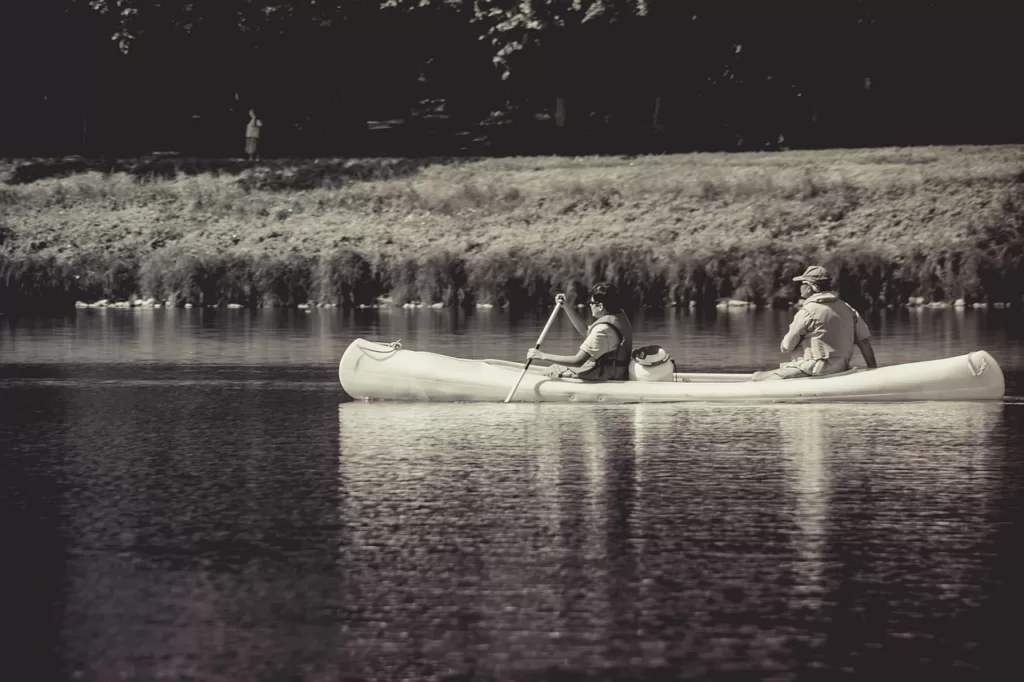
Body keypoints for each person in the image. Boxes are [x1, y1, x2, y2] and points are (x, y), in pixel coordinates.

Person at [752, 265, 877, 381]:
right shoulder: (847, 308)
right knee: (759, 375)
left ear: (814, 287)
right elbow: (864, 343)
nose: (800, 287)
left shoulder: (807, 311)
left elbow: (787, 346)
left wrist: (785, 344)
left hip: (814, 369)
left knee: (758, 378)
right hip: (841, 367)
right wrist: (873, 371)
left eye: (803, 283)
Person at [527, 283, 634, 380]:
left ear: (600, 306)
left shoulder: (603, 329)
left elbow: (577, 361)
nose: (590, 305)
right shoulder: (619, 316)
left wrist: (542, 356)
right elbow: (585, 331)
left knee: (552, 370)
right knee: (556, 367)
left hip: (604, 374)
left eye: (591, 302)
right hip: (616, 371)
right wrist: (566, 306)